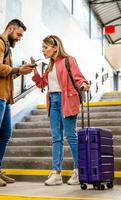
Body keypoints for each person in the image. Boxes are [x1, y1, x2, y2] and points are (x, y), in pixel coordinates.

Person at [0, 19, 34, 186]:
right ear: (10, 28)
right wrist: (17, 69)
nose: (19, 38)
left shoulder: (6, 47)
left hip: (2, 95)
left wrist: (21, 71)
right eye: (18, 34)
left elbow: (5, 72)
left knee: (4, 135)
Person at [32, 35, 90, 186]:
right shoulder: (49, 66)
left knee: (70, 136)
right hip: (53, 102)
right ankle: (56, 173)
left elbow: (78, 78)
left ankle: (79, 171)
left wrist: (84, 84)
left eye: (46, 47)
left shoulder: (69, 60)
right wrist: (35, 71)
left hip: (68, 100)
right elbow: (41, 84)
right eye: (42, 48)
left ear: (55, 47)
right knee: (56, 138)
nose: (43, 50)